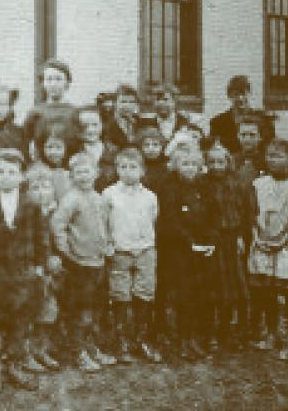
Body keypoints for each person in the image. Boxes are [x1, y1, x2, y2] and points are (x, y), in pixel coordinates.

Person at [0, 143, 50, 393]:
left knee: (21, 318)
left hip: (23, 272)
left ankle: (14, 362)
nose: (6, 177)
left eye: (12, 172)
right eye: (1, 172)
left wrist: (39, 265)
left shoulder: (31, 204)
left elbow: (41, 236)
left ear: (21, 176)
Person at [50, 152, 116, 373]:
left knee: (95, 308)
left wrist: (107, 245)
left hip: (97, 262)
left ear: (96, 174)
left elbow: (104, 226)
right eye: (78, 172)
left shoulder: (99, 198)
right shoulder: (70, 199)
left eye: (87, 171)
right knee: (81, 310)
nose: (83, 176)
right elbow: (57, 225)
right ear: (71, 176)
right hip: (79, 264)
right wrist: (65, 250)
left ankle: (91, 347)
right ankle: (78, 353)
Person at [246, 138, 288, 361]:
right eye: (270, 155)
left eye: (279, 156)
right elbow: (252, 213)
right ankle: (272, 332)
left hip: (287, 246)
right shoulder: (258, 184)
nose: (272, 160)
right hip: (263, 243)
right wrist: (258, 236)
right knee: (267, 292)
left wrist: (283, 239)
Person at [156, 144, 216, 361]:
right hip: (178, 250)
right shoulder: (169, 187)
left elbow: (212, 215)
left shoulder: (204, 186)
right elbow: (169, 221)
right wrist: (189, 242)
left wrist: (210, 241)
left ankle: (195, 338)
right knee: (184, 295)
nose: (189, 168)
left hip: (202, 250)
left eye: (193, 164)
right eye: (185, 164)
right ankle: (182, 340)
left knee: (202, 295)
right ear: (175, 165)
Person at [102, 147, 162, 363]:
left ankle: (142, 339)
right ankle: (121, 341)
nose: (127, 172)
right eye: (123, 167)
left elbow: (153, 219)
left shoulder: (150, 197)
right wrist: (109, 244)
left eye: (133, 167)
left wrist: (144, 244)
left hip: (145, 250)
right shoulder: (109, 194)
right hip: (120, 251)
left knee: (144, 293)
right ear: (116, 169)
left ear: (143, 170)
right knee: (121, 295)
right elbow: (104, 222)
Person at [205, 143, 253, 351]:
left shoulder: (238, 183)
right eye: (212, 162)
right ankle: (211, 331)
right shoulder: (203, 183)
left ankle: (234, 330)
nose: (217, 166)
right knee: (214, 284)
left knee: (236, 285)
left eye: (220, 161)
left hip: (233, 239)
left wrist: (242, 235)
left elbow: (247, 212)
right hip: (212, 239)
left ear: (228, 162)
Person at [25, 163, 64, 372]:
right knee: (30, 311)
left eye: (46, 187)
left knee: (49, 311)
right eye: (35, 188)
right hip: (32, 269)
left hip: (52, 270)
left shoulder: (58, 211)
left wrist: (57, 258)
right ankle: (26, 352)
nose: (41, 193)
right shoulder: (26, 214)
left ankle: (42, 349)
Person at [22, 59, 78, 161]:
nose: (53, 84)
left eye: (58, 79)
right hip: (41, 166)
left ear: (67, 82)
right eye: (49, 79)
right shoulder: (35, 112)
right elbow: (27, 141)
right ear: (43, 83)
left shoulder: (75, 112)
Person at [207, 74, 255, 155]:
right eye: (236, 94)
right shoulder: (218, 123)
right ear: (229, 96)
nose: (240, 98)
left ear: (250, 94)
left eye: (244, 94)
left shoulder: (262, 120)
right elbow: (214, 150)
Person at [76, 106, 119, 191]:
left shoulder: (114, 151)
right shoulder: (74, 151)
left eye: (95, 125)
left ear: (102, 125)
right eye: (85, 126)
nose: (91, 130)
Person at [33, 122, 74, 203]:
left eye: (58, 147)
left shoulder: (71, 168)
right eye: (49, 147)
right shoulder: (37, 171)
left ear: (67, 147)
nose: (53, 152)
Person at [104, 83, 140, 150]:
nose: (127, 106)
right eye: (123, 102)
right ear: (115, 103)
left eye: (131, 102)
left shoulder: (140, 122)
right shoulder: (106, 126)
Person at [136, 125, 169, 194]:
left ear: (161, 146)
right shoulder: (136, 165)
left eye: (155, 145)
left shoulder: (168, 167)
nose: (151, 149)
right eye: (146, 145)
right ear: (141, 147)